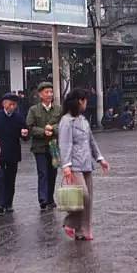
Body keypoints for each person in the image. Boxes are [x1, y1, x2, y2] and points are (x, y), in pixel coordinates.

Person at [59, 88, 109, 241]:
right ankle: (70, 222)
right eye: (85, 100)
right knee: (83, 196)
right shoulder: (66, 121)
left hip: (86, 163)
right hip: (74, 165)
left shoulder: (83, 120)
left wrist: (100, 159)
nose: (86, 103)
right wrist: (66, 165)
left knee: (89, 199)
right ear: (80, 101)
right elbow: (65, 144)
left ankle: (83, 231)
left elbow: (91, 141)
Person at [0, 93, 28, 213]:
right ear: (4, 104)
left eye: (14, 104)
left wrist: (25, 134)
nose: (12, 106)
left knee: (10, 179)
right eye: (10, 104)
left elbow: (26, 135)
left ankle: (8, 202)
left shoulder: (19, 117)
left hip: (13, 153)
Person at [26, 82, 62, 211]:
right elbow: (29, 127)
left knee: (53, 173)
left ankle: (50, 198)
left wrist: (52, 128)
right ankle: (43, 199)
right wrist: (43, 132)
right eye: (46, 92)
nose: (49, 94)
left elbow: (62, 124)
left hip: (54, 147)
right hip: (39, 147)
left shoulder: (58, 109)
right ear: (40, 94)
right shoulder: (33, 110)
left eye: (51, 92)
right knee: (43, 172)